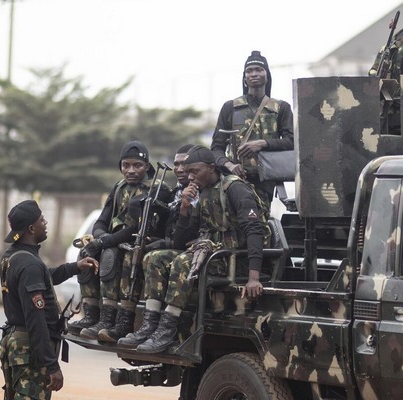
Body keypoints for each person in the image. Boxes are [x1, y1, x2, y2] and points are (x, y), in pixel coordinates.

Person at [0, 199, 98, 400]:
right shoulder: (28, 264)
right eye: (42, 220)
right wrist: (52, 366)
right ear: (30, 229)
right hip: (29, 348)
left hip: (15, 344)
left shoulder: (16, 257)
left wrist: (73, 268)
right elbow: (36, 319)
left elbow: (45, 277)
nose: (46, 223)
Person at [129, 146, 270, 355]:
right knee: (154, 258)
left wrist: (253, 276)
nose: (191, 176)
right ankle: (150, 324)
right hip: (207, 253)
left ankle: (167, 330)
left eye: (195, 171)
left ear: (211, 168)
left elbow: (254, 230)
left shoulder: (235, 188)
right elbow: (180, 242)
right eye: (189, 172)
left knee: (182, 262)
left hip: (233, 258)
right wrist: (185, 207)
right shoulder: (200, 192)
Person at [68, 141, 155, 341]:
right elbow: (102, 220)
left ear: (147, 166)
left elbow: (138, 227)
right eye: (126, 165)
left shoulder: (156, 189)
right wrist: (100, 237)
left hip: (136, 242)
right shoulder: (119, 188)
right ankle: (93, 317)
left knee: (116, 256)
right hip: (112, 241)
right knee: (86, 254)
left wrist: (107, 242)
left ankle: (121, 322)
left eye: (137, 165)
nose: (131, 170)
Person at [117, 144, 198, 347]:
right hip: (175, 246)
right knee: (143, 254)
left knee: (172, 259)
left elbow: (188, 236)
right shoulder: (176, 193)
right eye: (177, 164)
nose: (179, 169)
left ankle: (166, 328)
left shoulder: (202, 193)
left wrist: (167, 241)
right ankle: (146, 325)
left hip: (195, 250)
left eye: (185, 165)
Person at [210, 50, 294, 213]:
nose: (254, 74)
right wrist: (229, 165)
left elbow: (292, 142)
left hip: (266, 182)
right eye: (249, 71)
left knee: (259, 224)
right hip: (234, 180)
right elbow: (216, 148)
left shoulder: (281, 108)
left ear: (267, 75)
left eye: (259, 69)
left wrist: (262, 144)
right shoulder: (230, 107)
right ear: (244, 78)